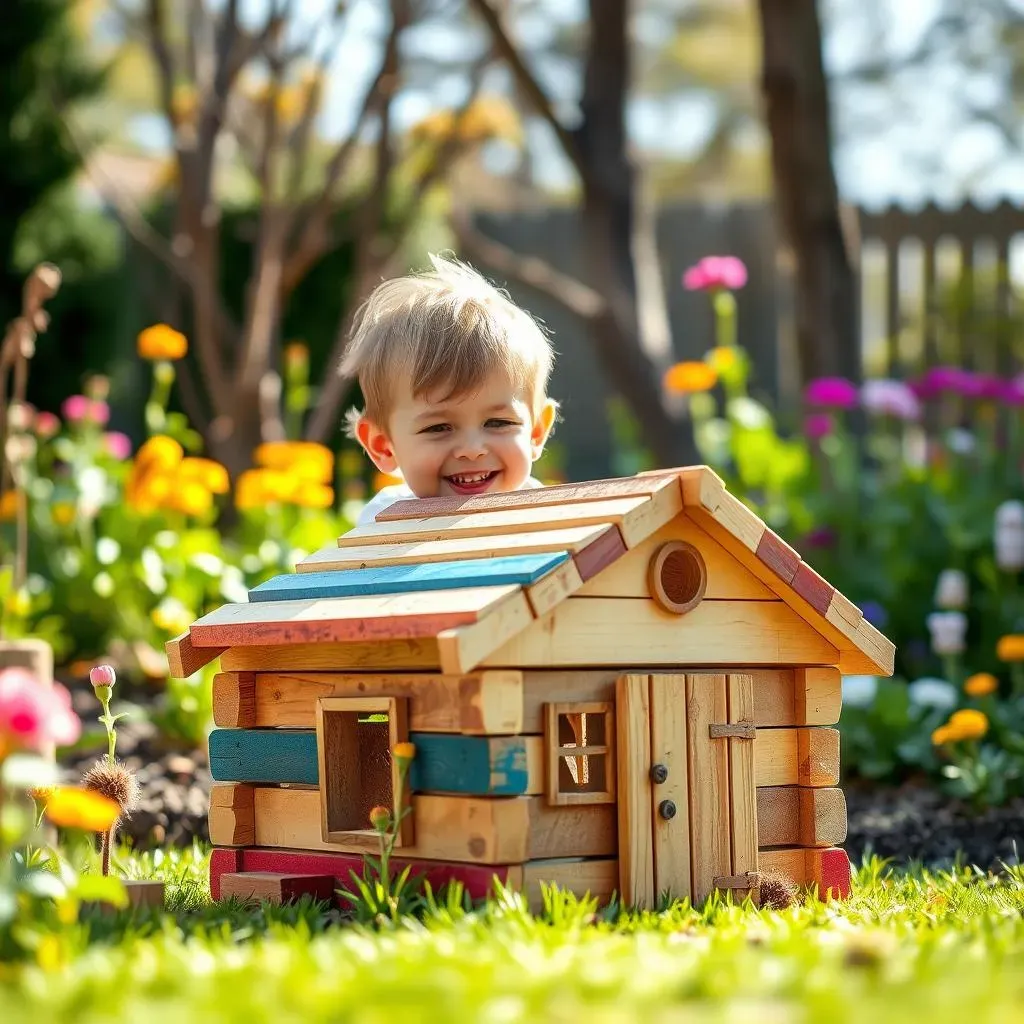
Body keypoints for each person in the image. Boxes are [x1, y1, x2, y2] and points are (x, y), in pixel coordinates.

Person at [339, 253, 559, 527]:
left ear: (536, 431)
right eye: (438, 428)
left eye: (499, 422)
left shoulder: (550, 523)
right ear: (382, 446)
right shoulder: (384, 527)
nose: (472, 450)